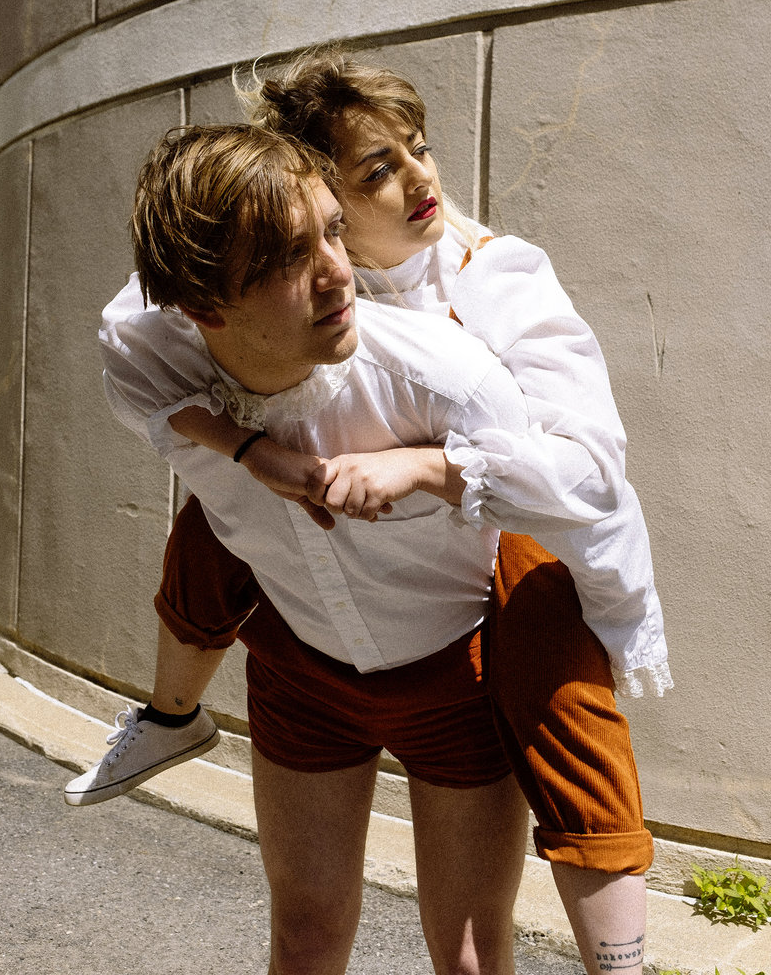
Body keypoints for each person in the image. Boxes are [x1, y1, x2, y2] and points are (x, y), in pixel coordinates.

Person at [66, 53, 668, 972]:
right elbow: (132, 344)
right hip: (304, 653)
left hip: (462, 623)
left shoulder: (478, 305)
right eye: (378, 169)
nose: (423, 180)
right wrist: (247, 450)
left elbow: (589, 481)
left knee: (556, 665)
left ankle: (619, 957)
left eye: (419, 150)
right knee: (209, 524)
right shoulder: (183, 324)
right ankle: (170, 713)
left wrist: (429, 467)